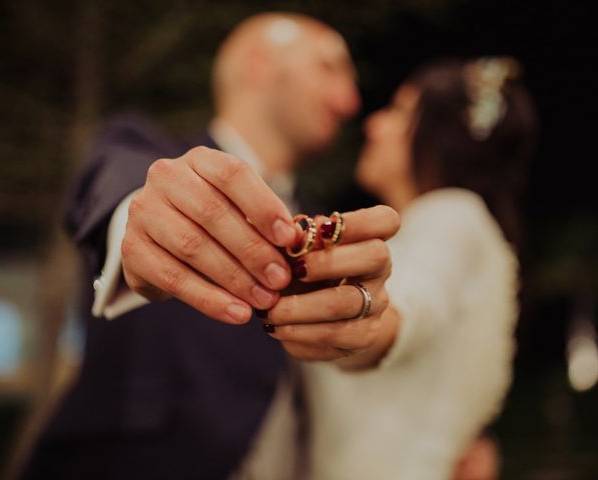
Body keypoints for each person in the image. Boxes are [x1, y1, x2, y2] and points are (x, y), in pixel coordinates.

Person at [21, 13, 400, 480]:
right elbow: (111, 188)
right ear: (258, 63)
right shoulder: (141, 152)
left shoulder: (323, 228)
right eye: (329, 67)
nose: (350, 102)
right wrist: (139, 220)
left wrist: (360, 327)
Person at [275, 57, 537, 479]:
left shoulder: (452, 216)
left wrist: (366, 320)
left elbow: (416, 302)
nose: (374, 125)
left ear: (439, 138)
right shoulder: (448, 231)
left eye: (399, 112)